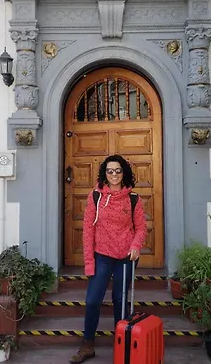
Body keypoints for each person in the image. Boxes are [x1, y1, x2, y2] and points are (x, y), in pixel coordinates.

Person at [69, 155, 148, 364]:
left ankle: (121, 346)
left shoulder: (133, 199)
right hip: (102, 255)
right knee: (93, 300)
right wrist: (89, 262)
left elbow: (141, 228)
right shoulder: (95, 196)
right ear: (104, 173)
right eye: (110, 171)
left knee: (120, 302)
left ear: (124, 173)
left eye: (118, 170)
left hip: (126, 257)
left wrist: (135, 246)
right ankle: (87, 345)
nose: (114, 174)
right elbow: (88, 230)